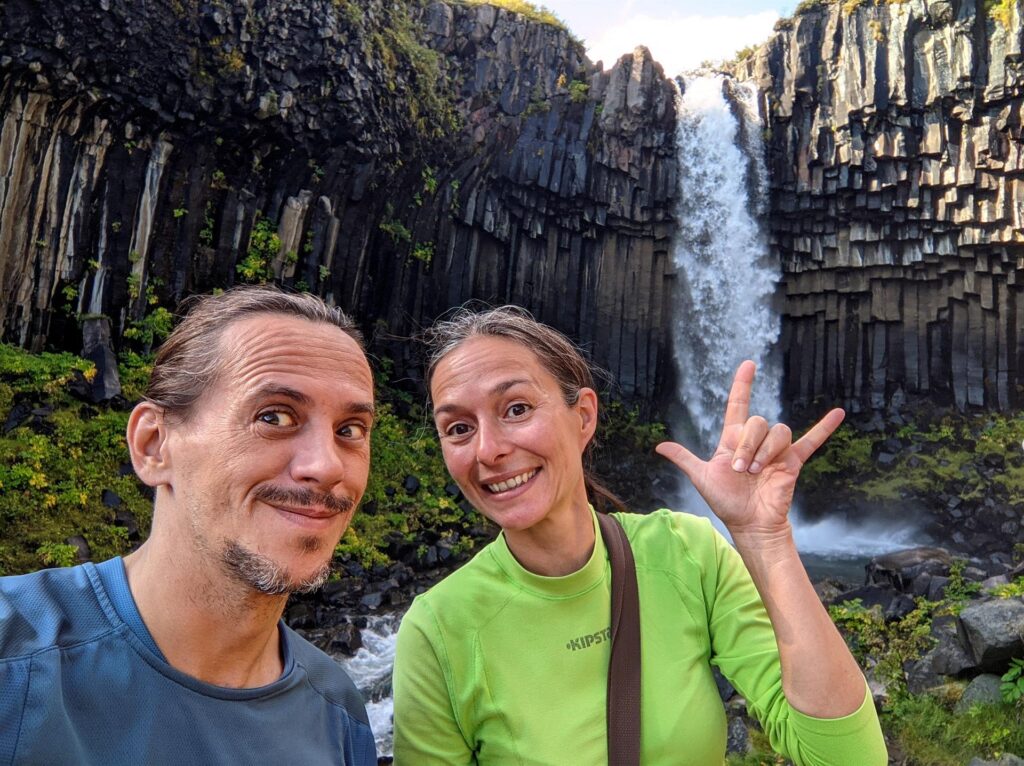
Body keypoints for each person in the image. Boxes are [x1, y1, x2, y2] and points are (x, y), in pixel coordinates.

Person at [391, 306, 887, 765]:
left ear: (583, 416)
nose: (488, 450)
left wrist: (764, 538)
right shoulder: (437, 632)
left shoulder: (689, 555)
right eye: (457, 428)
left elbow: (849, 758)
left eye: (516, 408)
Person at [0, 287, 378, 765]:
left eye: (350, 431)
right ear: (154, 445)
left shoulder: (338, 713)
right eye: (275, 416)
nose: (326, 466)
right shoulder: (14, 657)